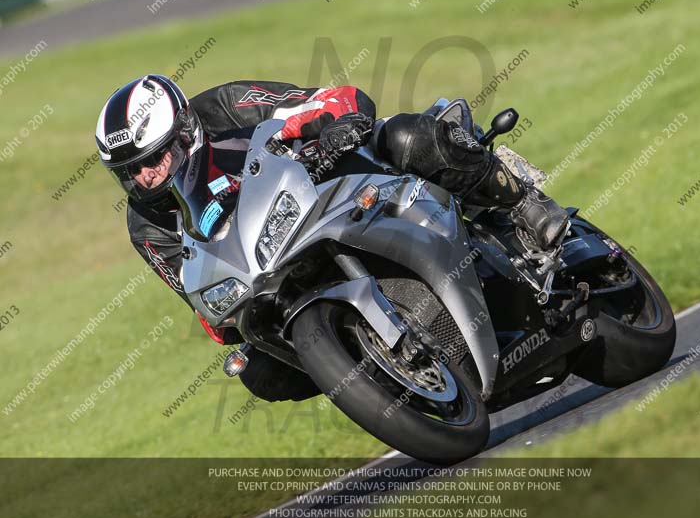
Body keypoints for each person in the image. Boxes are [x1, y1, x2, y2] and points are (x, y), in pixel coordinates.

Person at [95, 74, 568, 402]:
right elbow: (202, 302)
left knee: (404, 136)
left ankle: (521, 203)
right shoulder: (146, 226)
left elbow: (328, 98)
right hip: (272, 271)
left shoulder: (222, 106)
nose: (146, 176)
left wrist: (338, 124)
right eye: (130, 171)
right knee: (259, 371)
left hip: (331, 185)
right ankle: (380, 377)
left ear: (184, 132)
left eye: (153, 157)